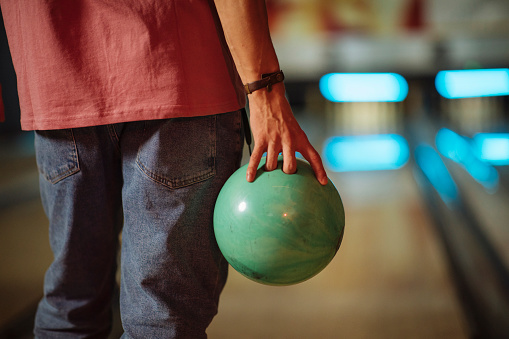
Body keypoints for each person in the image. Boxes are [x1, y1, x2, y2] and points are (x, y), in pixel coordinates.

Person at [1, 0, 327, 338]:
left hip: (56, 79)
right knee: (162, 320)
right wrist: (265, 91)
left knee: (70, 306)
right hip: (179, 73)